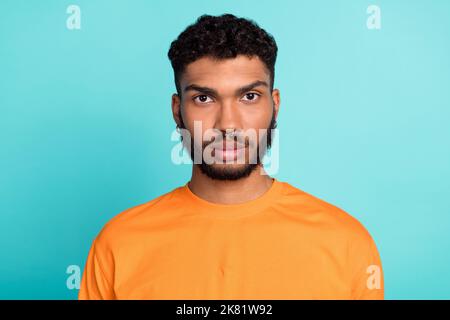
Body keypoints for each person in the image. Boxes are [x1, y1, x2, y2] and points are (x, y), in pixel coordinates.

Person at [79, 13, 384, 300]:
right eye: (204, 98)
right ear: (177, 110)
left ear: (274, 105)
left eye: (249, 97)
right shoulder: (118, 245)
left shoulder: (346, 243)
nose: (228, 124)